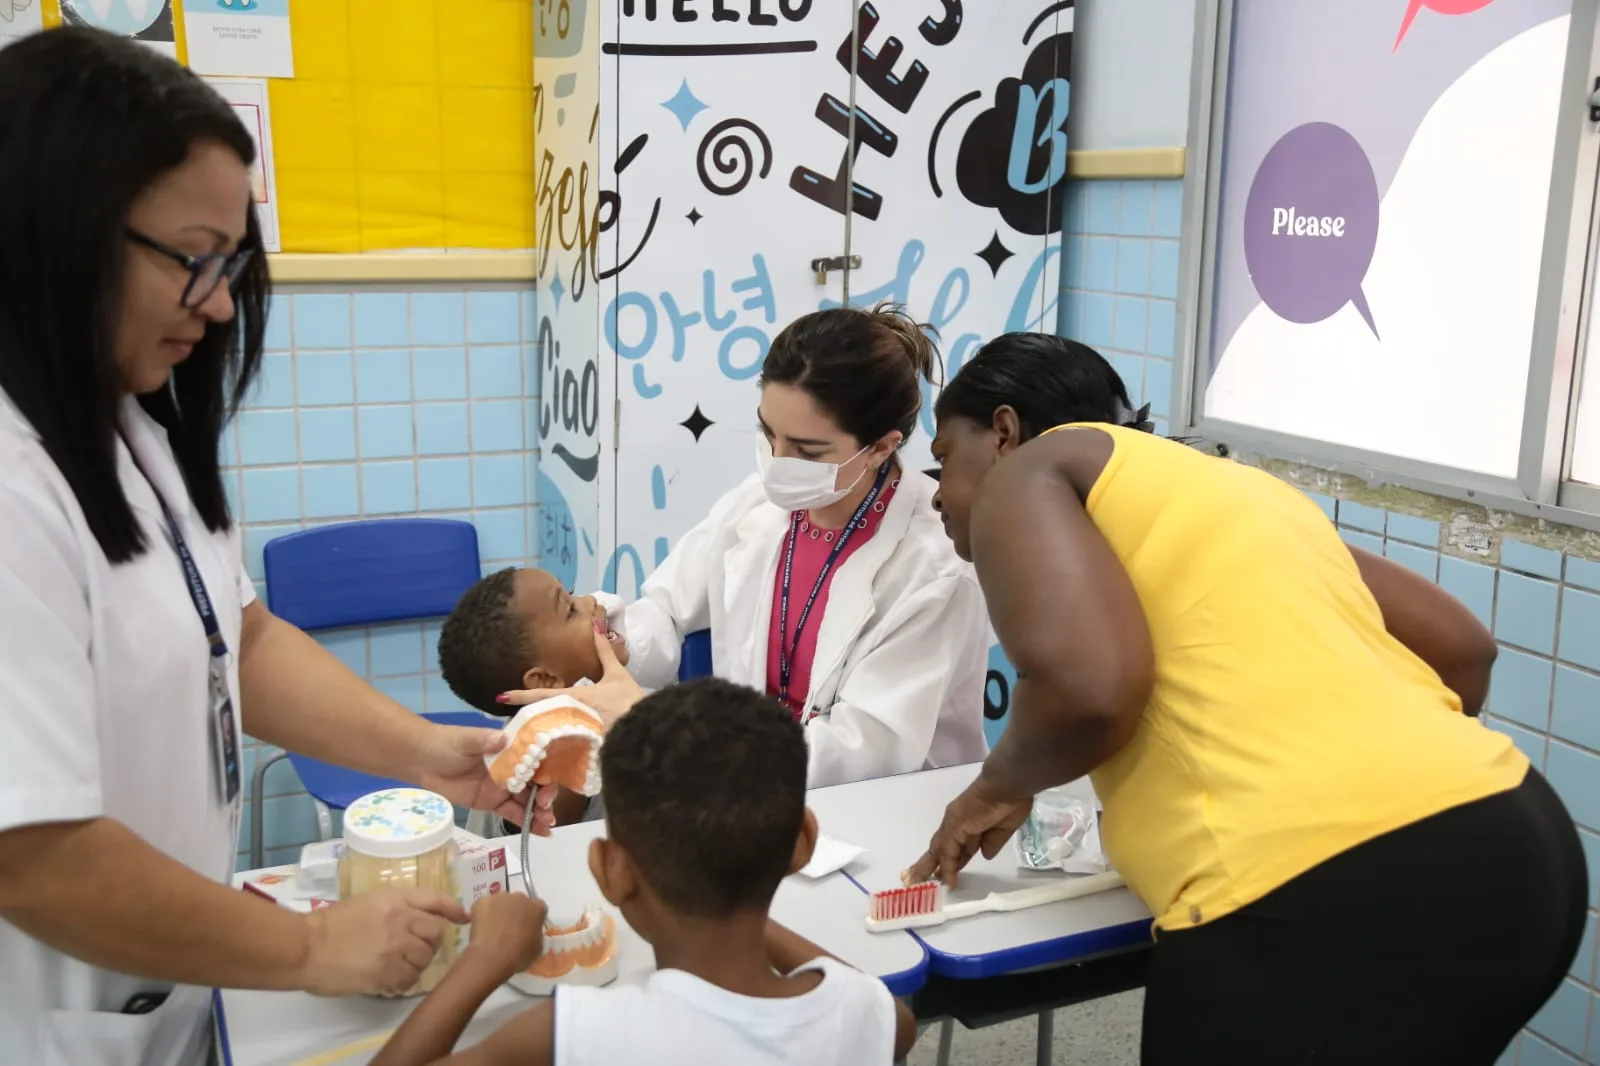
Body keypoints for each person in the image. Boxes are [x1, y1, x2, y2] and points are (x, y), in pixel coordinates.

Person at [0, 28, 552, 1066]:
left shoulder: (132, 430)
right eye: (192, 259)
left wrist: (436, 754)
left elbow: (239, 645)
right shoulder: (12, 489)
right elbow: (35, 859)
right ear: (55, 229)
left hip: (166, 989)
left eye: (233, 263)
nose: (217, 303)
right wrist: (308, 947)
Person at [910, 332, 1589, 1064]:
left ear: (1005, 432)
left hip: (1316, 894)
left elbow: (1089, 690)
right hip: (1516, 845)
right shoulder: (1235, 490)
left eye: (944, 457)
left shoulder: (1031, 470)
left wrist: (993, 789)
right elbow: (1463, 650)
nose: (939, 493)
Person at [503, 305, 991, 788]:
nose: (777, 462)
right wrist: (612, 650)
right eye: (767, 432)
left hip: (881, 808)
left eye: (807, 451)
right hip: (749, 784)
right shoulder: (759, 505)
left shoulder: (936, 566)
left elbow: (866, 751)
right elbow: (668, 610)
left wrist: (665, 726)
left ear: (882, 446)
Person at [369, 678, 919, 1066]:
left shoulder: (572, 1037)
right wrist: (741, 878)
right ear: (801, 843)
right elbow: (875, 1006)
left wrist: (484, 960)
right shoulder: (873, 1018)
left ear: (609, 871)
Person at [436, 566, 626, 825]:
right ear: (545, 680)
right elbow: (559, 853)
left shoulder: (545, 723)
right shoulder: (561, 745)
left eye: (572, 594)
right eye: (571, 610)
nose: (591, 601)